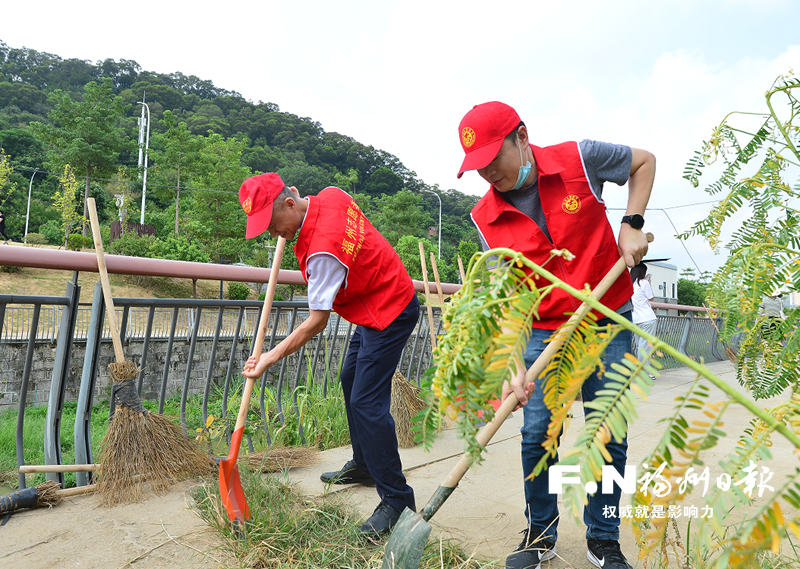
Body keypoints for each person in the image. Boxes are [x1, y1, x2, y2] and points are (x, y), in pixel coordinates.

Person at [457, 102, 655, 569]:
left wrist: (631, 225)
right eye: (477, 166)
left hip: (609, 318)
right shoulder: (484, 217)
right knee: (536, 434)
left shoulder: (579, 160)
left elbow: (644, 161)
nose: (488, 173)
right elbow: (510, 294)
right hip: (544, 331)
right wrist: (513, 362)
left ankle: (603, 539)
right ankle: (540, 534)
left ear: (521, 138)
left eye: (493, 158)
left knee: (608, 434)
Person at [238, 173, 419, 538]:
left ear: (290, 202)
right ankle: (365, 465)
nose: (276, 236)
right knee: (350, 380)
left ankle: (398, 501)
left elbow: (317, 322)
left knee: (368, 403)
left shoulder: (322, 252)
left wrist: (270, 357)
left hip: (390, 311)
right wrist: (292, 233)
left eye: (274, 227)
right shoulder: (332, 195)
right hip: (373, 301)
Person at [630, 263, 658, 369]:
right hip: (648, 319)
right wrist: (649, 283)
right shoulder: (644, 283)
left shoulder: (629, 284)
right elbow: (651, 298)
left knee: (639, 346)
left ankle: (641, 370)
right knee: (646, 347)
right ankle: (645, 371)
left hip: (635, 320)